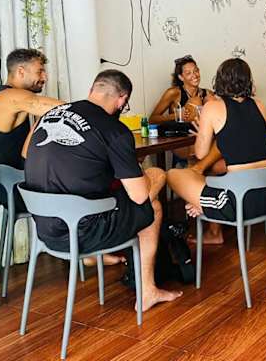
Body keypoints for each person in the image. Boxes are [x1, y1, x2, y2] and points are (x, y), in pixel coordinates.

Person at [24, 70, 182, 311]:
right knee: (154, 196)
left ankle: (94, 258)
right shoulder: (114, 130)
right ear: (122, 100)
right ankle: (148, 291)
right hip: (83, 232)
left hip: (46, 229)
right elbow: (139, 195)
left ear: (92, 90)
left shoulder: (50, 114)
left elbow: (27, 153)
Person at [167, 58, 266, 245]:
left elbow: (200, 153)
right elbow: (264, 148)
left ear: (220, 80)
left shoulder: (213, 107)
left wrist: (203, 132)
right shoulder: (260, 105)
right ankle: (205, 207)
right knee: (214, 172)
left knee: (173, 175)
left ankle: (204, 206)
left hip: (238, 204)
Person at [0, 48, 63, 211]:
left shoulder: (12, 97)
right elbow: (63, 109)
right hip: (17, 190)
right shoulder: (8, 97)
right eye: (40, 71)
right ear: (21, 72)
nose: (45, 78)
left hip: (17, 185)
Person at [149, 55, 212, 125]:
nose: (194, 75)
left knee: (209, 99)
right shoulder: (174, 93)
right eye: (188, 73)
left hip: (202, 131)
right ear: (181, 77)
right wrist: (176, 115)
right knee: (196, 101)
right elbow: (152, 119)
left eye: (196, 71)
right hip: (180, 131)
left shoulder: (208, 93)